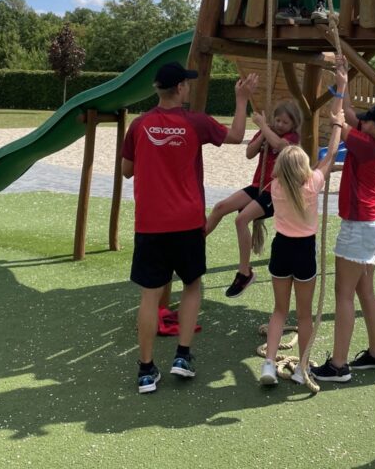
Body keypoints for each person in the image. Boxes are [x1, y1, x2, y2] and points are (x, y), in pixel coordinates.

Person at [121, 62, 258, 394]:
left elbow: (127, 170)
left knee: (150, 296)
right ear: (180, 88)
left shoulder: (139, 125)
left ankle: (145, 370)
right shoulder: (195, 122)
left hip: (150, 224)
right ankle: (182, 356)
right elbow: (236, 136)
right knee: (192, 285)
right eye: (187, 84)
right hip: (187, 222)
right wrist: (242, 99)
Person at [310, 63, 375, 383]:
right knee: (365, 291)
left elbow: (337, 118)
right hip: (374, 223)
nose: (363, 120)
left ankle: (338, 365)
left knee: (343, 294)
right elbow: (350, 115)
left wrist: (341, 91)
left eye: (369, 120)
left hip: (359, 226)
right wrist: (342, 82)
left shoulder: (365, 144)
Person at [260, 65, 347, 386]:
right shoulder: (312, 184)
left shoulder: (276, 187)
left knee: (278, 311)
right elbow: (332, 153)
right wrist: (336, 123)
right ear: (303, 168)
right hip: (304, 251)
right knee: (305, 314)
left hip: (281, 248)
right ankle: (302, 368)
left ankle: (269, 364)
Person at [204, 100, 302, 298]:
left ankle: (244, 273)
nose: (280, 125)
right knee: (220, 207)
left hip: (276, 192)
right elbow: (249, 153)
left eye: (285, 122)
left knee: (241, 219)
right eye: (278, 120)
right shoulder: (267, 131)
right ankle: (192, 245)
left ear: (293, 125)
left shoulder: (292, 138)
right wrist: (262, 135)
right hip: (258, 186)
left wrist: (264, 126)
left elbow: (280, 146)